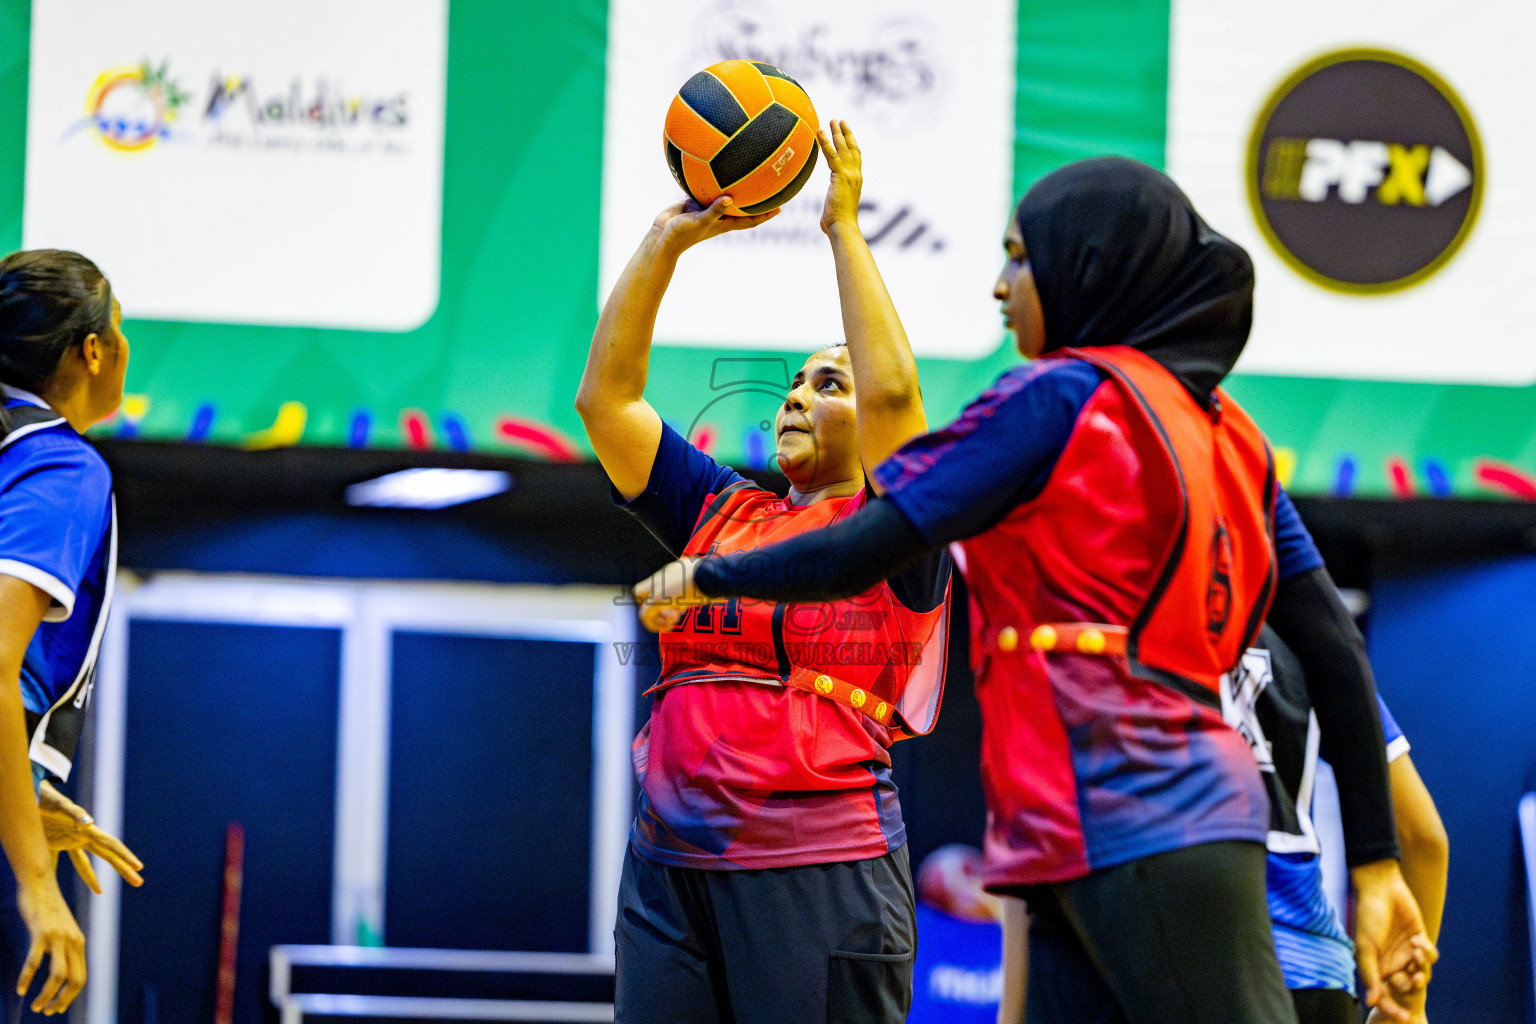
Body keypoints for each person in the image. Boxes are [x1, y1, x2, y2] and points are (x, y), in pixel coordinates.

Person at [635, 157, 1435, 1023]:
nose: (998, 286)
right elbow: (1335, 647)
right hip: (1065, 831)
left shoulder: (1057, 398)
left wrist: (709, 574)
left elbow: (867, 544)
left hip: (1149, 820)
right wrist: (1377, 863)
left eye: (1020, 257)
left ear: (1085, 265)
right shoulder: (1231, 430)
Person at [576, 122, 951, 1023]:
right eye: (795, 382)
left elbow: (897, 396)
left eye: (832, 383)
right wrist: (668, 239)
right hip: (670, 866)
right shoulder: (721, 510)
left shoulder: (898, 524)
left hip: (820, 866)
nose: (798, 395)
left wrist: (844, 231)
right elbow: (606, 400)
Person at [0, 249, 145, 1019]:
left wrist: (17, 795)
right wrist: (31, 877)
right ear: (94, 349)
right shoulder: (59, 466)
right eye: (121, 329)